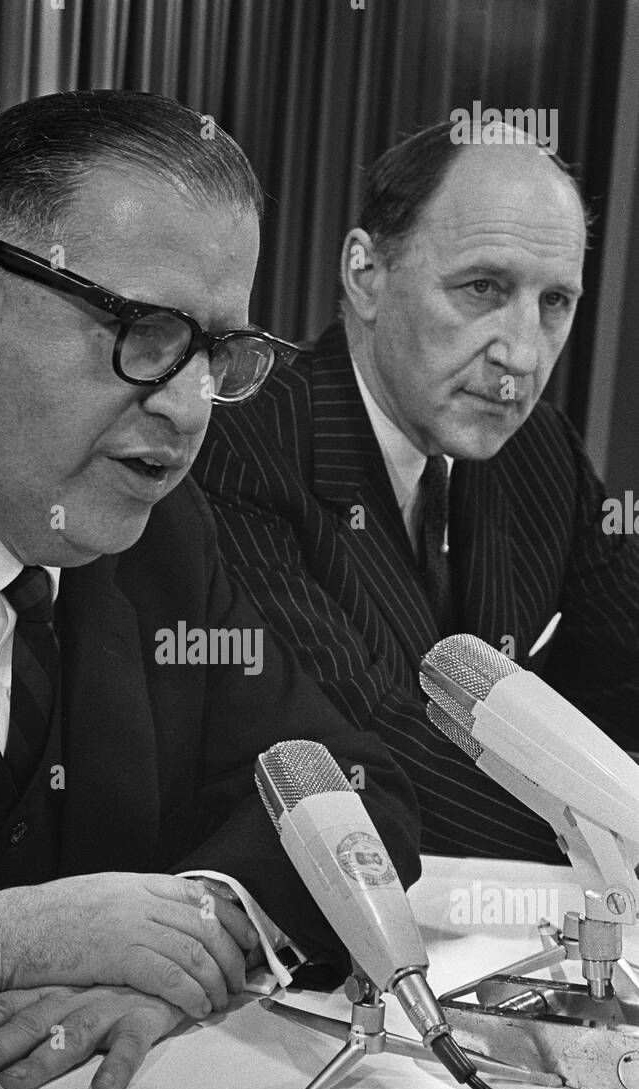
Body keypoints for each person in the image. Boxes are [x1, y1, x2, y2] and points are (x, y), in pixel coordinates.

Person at [0, 91, 420, 1089]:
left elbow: (356, 791)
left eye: (217, 355)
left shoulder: (164, 533)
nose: (185, 404)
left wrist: (195, 937)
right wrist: (11, 942)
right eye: (145, 333)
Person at [193, 121, 639, 862]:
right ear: (365, 274)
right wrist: (613, 841)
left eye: (554, 301)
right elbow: (370, 754)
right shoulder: (245, 445)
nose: (520, 355)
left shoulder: (539, 451)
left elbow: (624, 674)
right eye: (482, 288)